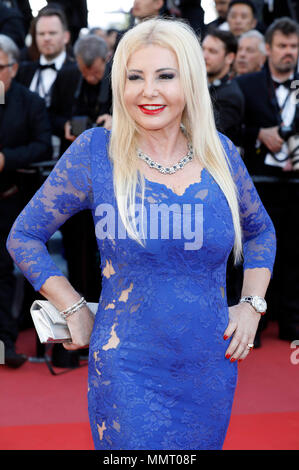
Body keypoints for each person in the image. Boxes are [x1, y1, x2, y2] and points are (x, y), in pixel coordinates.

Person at [7, 18, 275, 449]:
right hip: (126, 364)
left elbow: (261, 232)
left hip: (209, 365)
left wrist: (251, 305)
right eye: (135, 77)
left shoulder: (220, 155)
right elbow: (23, 235)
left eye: (165, 76)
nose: (148, 91)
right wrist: (73, 307)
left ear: (189, 81)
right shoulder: (96, 152)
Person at [236, 17, 299, 344]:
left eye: (293, 46)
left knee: (294, 253)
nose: (288, 52)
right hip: (259, 182)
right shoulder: (247, 85)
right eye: (282, 46)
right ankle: (253, 325)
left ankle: (292, 322)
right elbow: (231, 129)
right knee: (256, 251)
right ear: (269, 49)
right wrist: (259, 134)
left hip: (296, 183)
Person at [0, 34, 52, 368]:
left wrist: (7, 159)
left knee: (4, 272)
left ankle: (5, 344)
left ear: (14, 67)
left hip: (10, 198)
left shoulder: (30, 102)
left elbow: (43, 146)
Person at [16, 6, 74, 108]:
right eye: (41, 34)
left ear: (66, 37)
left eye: (52, 33)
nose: (46, 38)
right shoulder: (22, 71)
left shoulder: (77, 73)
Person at [202, 29, 244, 145]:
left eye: (212, 51)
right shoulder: (202, 85)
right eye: (203, 49)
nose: (204, 56)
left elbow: (209, 138)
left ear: (229, 58)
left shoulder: (230, 96)